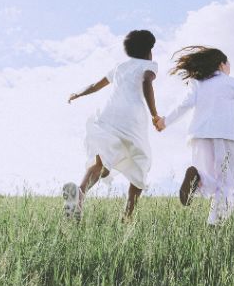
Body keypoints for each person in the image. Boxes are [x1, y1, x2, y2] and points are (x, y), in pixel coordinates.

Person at [155, 46, 234, 225]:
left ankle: (197, 175)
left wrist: (164, 122)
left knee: (209, 179)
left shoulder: (198, 82)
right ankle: (215, 225)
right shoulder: (233, 82)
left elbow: (184, 105)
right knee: (226, 183)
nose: (230, 66)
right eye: (228, 63)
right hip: (225, 135)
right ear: (221, 64)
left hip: (198, 135)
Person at [64, 30, 161, 221]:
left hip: (109, 115)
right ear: (149, 51)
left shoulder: (120, 67)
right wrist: (155, 114)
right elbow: (147, 82)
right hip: (132, 118)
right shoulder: (149, 65)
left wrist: (78, 94)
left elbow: (95, 85)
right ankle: (127, 215)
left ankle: (80, 193)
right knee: (141, 162)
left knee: (102, 161)